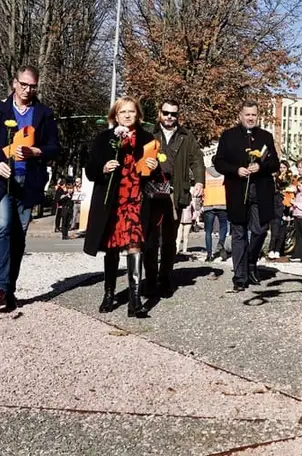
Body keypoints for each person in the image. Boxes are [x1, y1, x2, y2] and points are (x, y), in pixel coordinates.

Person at [0, 66, 60, 310]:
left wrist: (37, 151)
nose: (27, 90)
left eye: (32, 86)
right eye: (23, 85)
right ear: (15, 83)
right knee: (2, 226)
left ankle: (9, 288)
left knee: (18, 234)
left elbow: (55, 147)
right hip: (1, 180)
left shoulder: (44, 113)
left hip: (29, 181)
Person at [83, 97, 160, 317]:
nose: (127, 115)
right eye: (122, 112)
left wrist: (155, 166)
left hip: (136, 199)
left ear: (138, 115)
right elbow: (90, 170)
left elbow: (155, 173)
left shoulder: (147, 139)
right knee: (112, 246)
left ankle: (135, 300)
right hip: (112, 201)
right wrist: (103, 168)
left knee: (135, 244)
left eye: (131, 111)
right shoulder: (104, 138)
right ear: (115, 116)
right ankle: (109, 294)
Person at [213, 102, 280, 292]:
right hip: (237, 190)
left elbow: (275, 163)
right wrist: (236, 170)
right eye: (247, 114)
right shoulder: (229, 135)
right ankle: (240, 277)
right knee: (239, 233)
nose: (251, 118)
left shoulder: (265, 136)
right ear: (240, 116)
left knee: (260, 230)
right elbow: (219, 162)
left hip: (260, 191)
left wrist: (261, 166)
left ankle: (251, 261)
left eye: (254, 115)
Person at [147, 100, 205, 297]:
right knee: (151, 238)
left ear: (178, 115)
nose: (170, 117)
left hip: (175, 191)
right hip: (151, 191)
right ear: (160, 113)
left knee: (170, 238)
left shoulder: (186, 136)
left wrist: (199, 181)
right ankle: (150, 278)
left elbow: (197, 159)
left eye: (174, 114)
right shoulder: (149, 133)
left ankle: (165, 277)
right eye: (166, 113)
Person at [202, 166, 229, 262]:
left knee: (208, 231)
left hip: (208, 203)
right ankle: (221, 243)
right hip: (222, 202)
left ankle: (209, 255)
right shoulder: (224, 171)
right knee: (223, 226)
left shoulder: (205, 172)